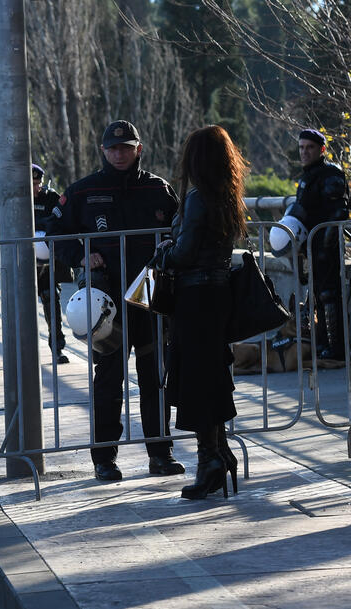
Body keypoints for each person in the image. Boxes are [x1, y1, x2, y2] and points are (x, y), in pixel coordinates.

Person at [47, 120, 184, 481]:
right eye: (113, 148)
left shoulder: (159, 189)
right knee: (108, 379)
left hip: (150, 293)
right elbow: (55, 233)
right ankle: (104, 459)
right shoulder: (83, 191)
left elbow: (180, 231)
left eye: (127, 147)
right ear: (103, 151)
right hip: (106, 300)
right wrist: (80, 255)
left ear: (139, 149)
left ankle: (160, 453)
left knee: (155, 376)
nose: (120, 153)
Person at [155, 125, 246, 499]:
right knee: (211, 376)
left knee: (195, 378)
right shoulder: (228, 195)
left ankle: (210, 460)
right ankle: (218, 454)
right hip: (217, 294)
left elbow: (185, 253)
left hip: (195, 298)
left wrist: (164, 251)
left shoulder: (197, 199)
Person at [0, 164, 72, 364]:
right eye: (31, 184)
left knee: (51, 302)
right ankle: (20, 351)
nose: (36, 188)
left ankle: (57, 348)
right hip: (19, 263)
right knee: (19, 309)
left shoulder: (51, 199)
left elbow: (63, 223)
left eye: (38, 184)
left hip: (46, 265)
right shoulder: (8, 200)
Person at [292, 129, 349, 360]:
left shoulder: (330, 174)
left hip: (326, 244)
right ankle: (322, 344)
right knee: (316, 295)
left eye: (310, 147)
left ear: (322, 150)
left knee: (329, 295)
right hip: (311, 244)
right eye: (302, 147)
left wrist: (324, 246)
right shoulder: (308, 175)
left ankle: (336, 349)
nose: (305, 152)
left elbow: (339, 213)